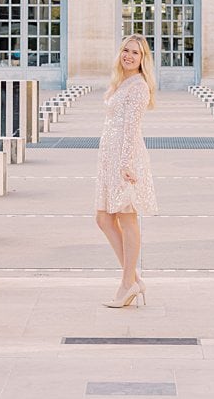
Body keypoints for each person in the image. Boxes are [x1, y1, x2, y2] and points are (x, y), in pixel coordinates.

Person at [94, 34, 158, 308]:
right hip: (110, 158)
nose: (129, 56)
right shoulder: (121, 82)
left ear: (144, 60)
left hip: (125, 159)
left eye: (136, 53)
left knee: (126, 217)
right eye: (126, 51)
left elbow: (131, 129)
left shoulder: (139, 87)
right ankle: (132, 279)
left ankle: (127, 284)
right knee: (103, 218)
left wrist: (125, 164)